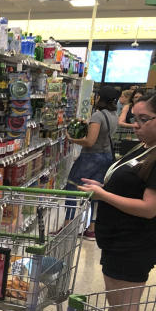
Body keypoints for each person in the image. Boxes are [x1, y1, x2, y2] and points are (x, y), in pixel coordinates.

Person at [76, 91, 156, 311]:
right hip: (120, 240)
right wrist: (104, 186)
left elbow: (149, 207)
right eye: (135, 118)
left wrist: (104, 195)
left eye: (143, 119)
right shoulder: (148, 146)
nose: (135, 125)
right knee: (119, 309)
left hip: (134, 243)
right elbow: (132, 184)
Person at [66, 85, 119, 238]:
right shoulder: (113, 114)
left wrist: (72, 139)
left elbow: (90, 141)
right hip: (106, 157)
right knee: (96, 190)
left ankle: (67, 226)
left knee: (71, 187)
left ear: (100, 98)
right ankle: (92, 228)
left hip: (91, 157)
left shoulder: (98, 115)